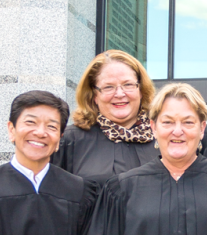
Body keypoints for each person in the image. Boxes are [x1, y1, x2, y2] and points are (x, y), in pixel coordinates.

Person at [87, 83, 207, 235]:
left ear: (202, 129)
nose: (177, 131)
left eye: (188, 122)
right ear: (154, 128)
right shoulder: (123, 188)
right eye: (168, 122)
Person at [0, 90, 98, 235]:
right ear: (12, 130)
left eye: (51, 127)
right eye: (31, 122)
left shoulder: (81, 192)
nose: (40, 133)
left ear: (60, 138)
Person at [52, 50, 158, 184]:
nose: (119, 94)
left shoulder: (163, 137)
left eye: (128, 85)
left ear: (141, 90)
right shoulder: (69, 140)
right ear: (94, 95)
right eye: (108, 87)